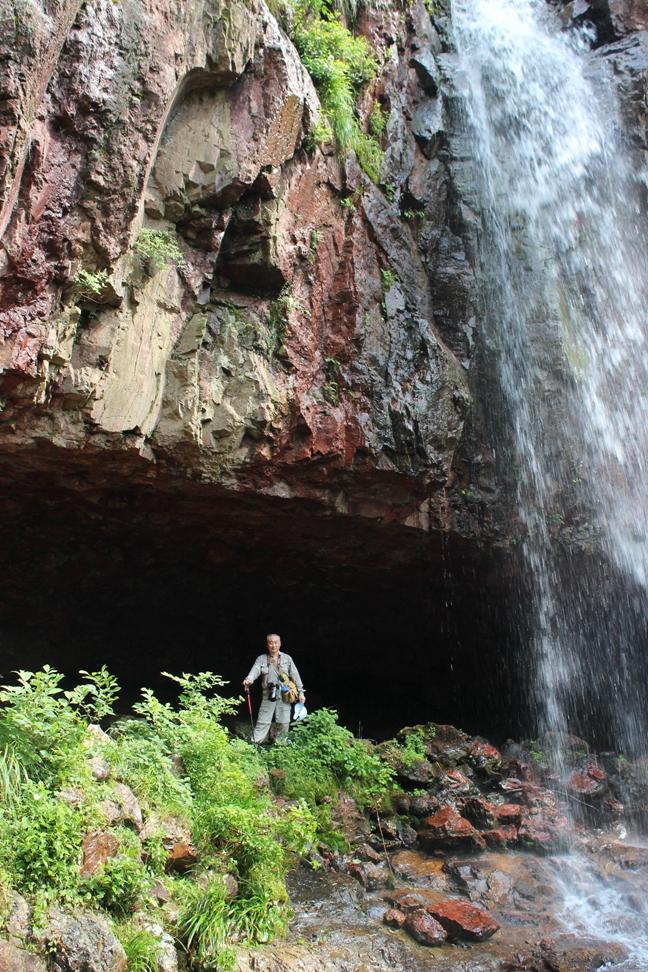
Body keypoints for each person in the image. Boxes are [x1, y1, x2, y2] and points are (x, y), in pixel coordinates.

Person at [243, 633, 305, 743]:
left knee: (284, 722)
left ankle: (281, 746)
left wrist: (301, 692)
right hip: (268, 694)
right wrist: (249, 679)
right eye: (270, 643)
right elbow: (255, 670)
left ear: (280, 644)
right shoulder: (261, 659)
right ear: (267, 644)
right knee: (263, 721)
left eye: (276, 642)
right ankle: (254, 744)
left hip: (284, 694)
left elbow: (295, 675)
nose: (273, 645)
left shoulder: (287, 658)